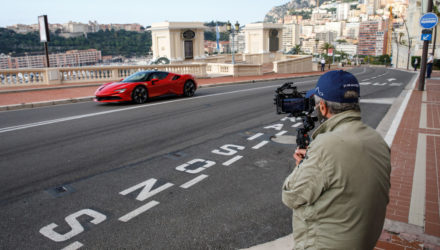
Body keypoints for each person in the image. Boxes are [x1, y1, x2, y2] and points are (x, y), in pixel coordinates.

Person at [282, 70, 391, 249]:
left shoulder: (326, 146)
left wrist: (303, 166)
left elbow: (291, 197)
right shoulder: (376, 139)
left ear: (322, 107)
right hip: (364, 240)